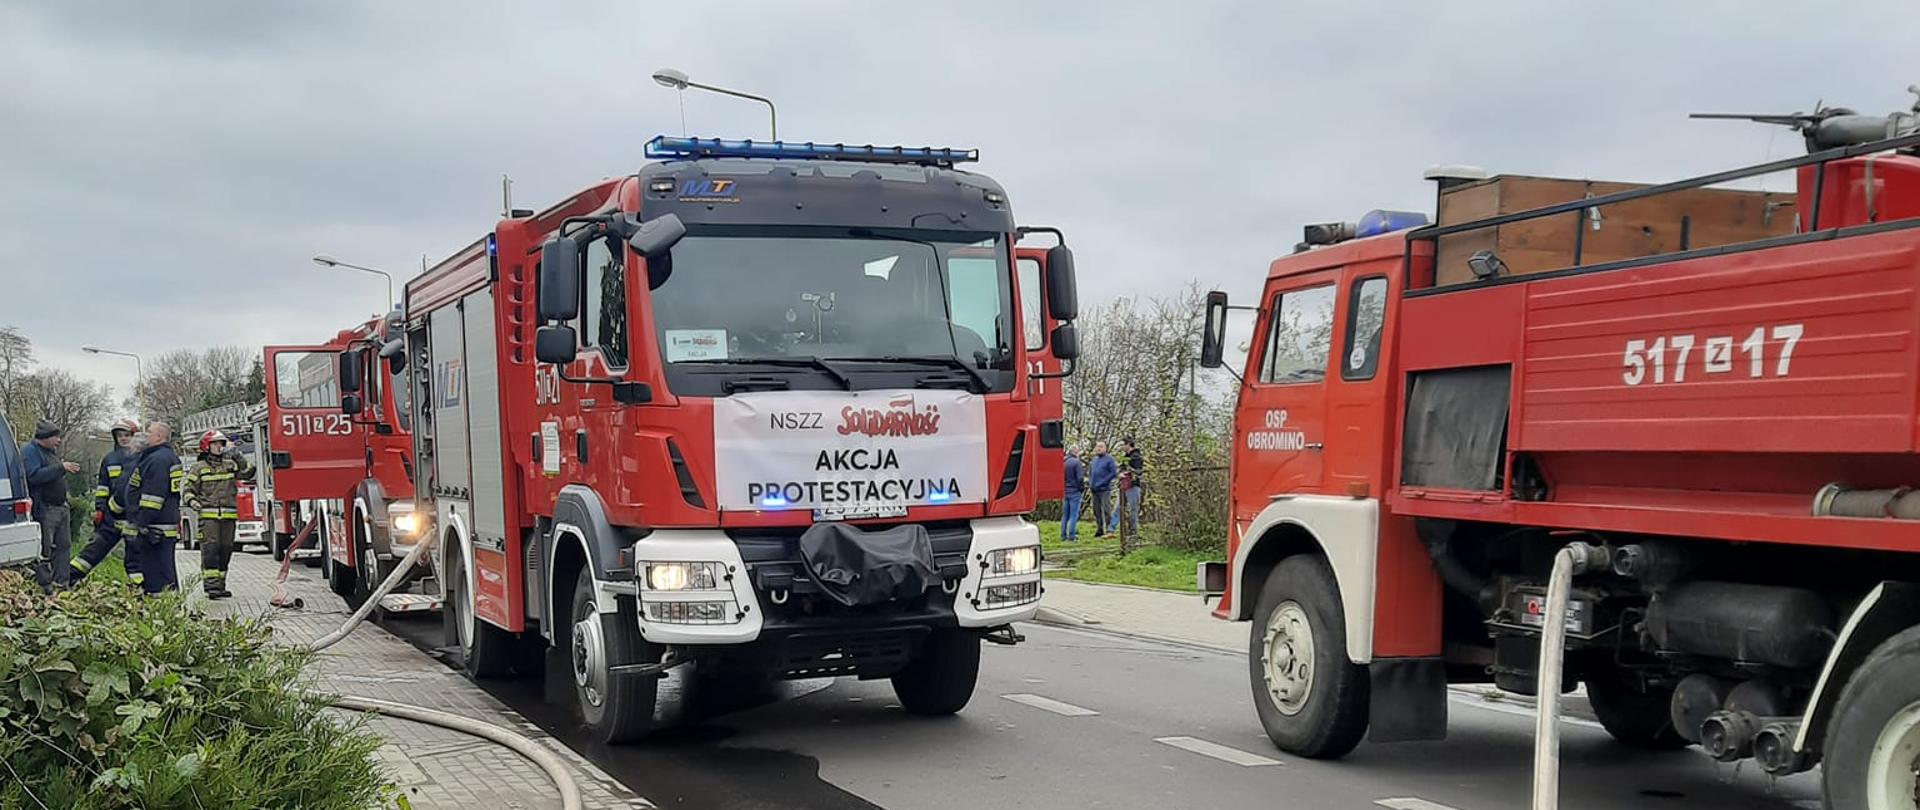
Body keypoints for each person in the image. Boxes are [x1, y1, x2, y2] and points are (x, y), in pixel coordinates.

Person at [70, 419, 143, 584]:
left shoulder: (142, 458)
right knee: (93, 551)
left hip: (133, 515)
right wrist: (100, 509)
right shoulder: (109, 459)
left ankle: (138, 588)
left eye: (127, 435)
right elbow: (103, 487)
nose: (123, 438)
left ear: (134, 436)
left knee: (135, 557)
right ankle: (69, 577)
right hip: (112, 516)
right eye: (120, 435)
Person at [182, 429, 253, 598]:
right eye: (216, 443)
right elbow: (188, 490)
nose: (219, 446)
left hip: (228, 517)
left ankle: (221, 585)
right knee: (211, 551)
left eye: (221, 443)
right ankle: (212, 586)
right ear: (206, 446)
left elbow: (249, 472)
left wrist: (237, 455)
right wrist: (192, 502)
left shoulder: (230, 465)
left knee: (225, 550)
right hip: (208, 518)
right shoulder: (199, 468)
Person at [21, 420, 82, 589]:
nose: (59, 441)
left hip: (61, 507)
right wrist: (61, 468)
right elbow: (33, 476)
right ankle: (44, 585)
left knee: (63, 547)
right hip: (45, 509)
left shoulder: (50, 452)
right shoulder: (30, 452)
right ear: (45, 437)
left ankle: (62, 583)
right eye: (56, 437)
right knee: (45, 549)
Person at [126, 421, 183, 594]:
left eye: (149, 432)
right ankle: (168, 602)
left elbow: (153, 498)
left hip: (155, 527)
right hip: (162, 523)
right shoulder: (164, 457)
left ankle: (161, 603)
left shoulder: (158, 460)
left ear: (159, 437)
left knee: (157, 574)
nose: (146, 435)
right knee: (165, 571)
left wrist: (142, 523)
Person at [1088, 440, 1118, 540]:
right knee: (1096, 510)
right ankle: (1099, 528)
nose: (1099, 448)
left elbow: (1113, 473)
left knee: (1106, 509)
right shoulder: (1094, 460)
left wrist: (1103, 482)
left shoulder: (1109, 459)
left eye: (1101, 447)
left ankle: (1109, 529)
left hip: (1104, 489)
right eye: (1098, 447)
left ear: (1105, 448)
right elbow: (1091, 473)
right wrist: (1091, 484)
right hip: (1094, 489)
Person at [1118, 437, 1146, 540]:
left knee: (1133, 508)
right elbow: (1121, 468)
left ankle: (1133, 531)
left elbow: (1138, 472)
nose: (1122, 447)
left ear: (1128, 444)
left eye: (1123, 444)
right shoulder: (1125, 457)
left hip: (1133, 486)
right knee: (1120, 508)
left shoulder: (1136, 457)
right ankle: (1114, 529)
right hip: (1125, 485)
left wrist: (1127, 473)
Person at [1061, 445, 1086, 543]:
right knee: (1073, 515)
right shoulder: (1076, 462)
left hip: (1065, 491)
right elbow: (1080, 478)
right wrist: (1081, 488)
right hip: (1074, 491)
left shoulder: (1063, 462)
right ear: (1076, 452)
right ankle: (1071, 536)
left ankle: (1063, 536)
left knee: (1065, 516)